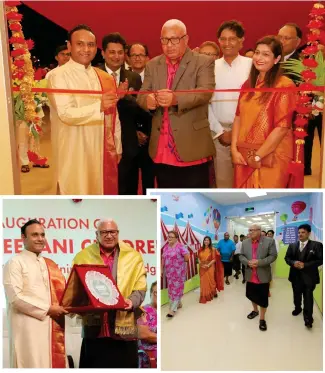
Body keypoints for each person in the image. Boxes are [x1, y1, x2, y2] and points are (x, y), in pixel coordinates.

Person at [137, 19, 215, 188]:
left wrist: (175, 99)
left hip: (192, 144)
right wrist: (148, 100)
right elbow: (142, 95)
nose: (169, 45)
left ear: (186, 39)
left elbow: (205, 92)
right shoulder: (152, 65)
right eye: (164, 40)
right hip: (162, 147)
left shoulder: (202, 61)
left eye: (174, 39)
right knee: (167, 197)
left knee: (195, 198)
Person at [48, 24, 121, 195]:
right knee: (74, 195)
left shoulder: (103, 77)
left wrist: (117, 146)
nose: (86, 49)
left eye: (91, 45)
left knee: (98, 196)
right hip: (72, 151)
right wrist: (99, 106)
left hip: (101, 150)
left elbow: (113, 116)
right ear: (69, 46)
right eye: (80, 44)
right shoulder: (57, 76)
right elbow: (65, 114)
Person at [72, 218, 147, 368]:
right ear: (97, 235)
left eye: (112, 232)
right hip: (95, 329)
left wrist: (131, 301)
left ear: (118, 233)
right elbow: (75, 289)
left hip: (124, 328)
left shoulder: (133, 257)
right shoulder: (83, 256)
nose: (109, 235)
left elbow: (140, 287)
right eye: (104, 232)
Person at [231, 35, 297, 188]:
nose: (259, 58)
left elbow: (282, 128)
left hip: (271, 157)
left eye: (266, 54)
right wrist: (234, 149)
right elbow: (238, 118)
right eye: (257, 52)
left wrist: (259, 155)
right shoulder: (248, 84)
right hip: (244, 155)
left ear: (276, 59)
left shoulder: (284, 86)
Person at [3, 219, 68, 368]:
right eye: (34, 235)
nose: (40, 239)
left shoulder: (49, 264)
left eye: (42, 234)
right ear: (23, 238)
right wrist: (48, 309)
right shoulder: (15, 262)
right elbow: (15, 297)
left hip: (51, 329)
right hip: (28, 332)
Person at [98, 32, 143, 195]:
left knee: (127, 185)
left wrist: (125, 97)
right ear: (103, 53)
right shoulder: (94, 75)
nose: (116, 56)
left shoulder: (134, 78)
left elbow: (139, 108)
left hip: (127, 140)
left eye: (120, 52)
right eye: (112, 52)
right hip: (100, 139)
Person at [209, 20, 252, 188]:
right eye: (223, 39)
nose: (227, 43)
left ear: (242, 41)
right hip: (219, 133)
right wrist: (220, 132)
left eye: (232, 39)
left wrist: (238, 130)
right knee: (223, 181)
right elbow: (205, 104)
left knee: (247, 180)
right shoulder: (209, 67)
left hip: (247, 133)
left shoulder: (252, 66)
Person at [239, 224, 277, 331]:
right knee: (251, 295)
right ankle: (255, 310)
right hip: (250, 275)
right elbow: (241, 255)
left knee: (263, 299)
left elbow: (273, 256)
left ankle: (262, 318)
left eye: (253, 230)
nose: (251, 232)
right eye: (249, 230)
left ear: (260, 231)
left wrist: (259, 262)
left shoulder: (269, 241)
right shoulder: (245, 242)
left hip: (263, 275)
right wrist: (247, 262)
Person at [128, 42, 155, 194]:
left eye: (141, 55)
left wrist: (145, 133)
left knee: (149, 181)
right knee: (129, 182)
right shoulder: (122, 79)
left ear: (147, 58)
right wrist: (134, 132)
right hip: (129, 138)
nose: (137, 58)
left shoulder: (156, 79)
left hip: (151, 138)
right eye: (134, 55)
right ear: (128, 59)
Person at [284, 224, 323, 329]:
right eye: (299, 232)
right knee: (296, 295)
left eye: (303, 232)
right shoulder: (292, 245)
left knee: (308, 298)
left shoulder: (317, 245)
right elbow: (287, 258)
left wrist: (305, 265)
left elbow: (320, 260)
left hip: (309, 277)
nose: (300, 234)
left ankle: (308, 318)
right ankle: (298, 308)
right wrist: (293, 263)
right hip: (295, 276)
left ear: (309, 233)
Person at [162, 230, 190, 317]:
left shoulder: (180, 247)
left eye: (171, 237)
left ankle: (172, 309)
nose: (169, 238)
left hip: (179, 274)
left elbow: (187, 257)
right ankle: (179, 303)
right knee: (171, 289)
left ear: (176, 238)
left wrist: (180, 264)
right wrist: (161, 270)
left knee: (177, 290)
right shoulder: (165, 247)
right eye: (168, 236)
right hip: (169, 273)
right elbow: (163, 259)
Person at [198, 236, 224, 303]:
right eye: (205, 240)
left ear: (210, 242)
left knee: (211, 281)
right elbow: (198, 258)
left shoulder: (213, 249)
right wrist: (201, 264)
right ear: (203, 241)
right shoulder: (200, 249)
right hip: (202, 267)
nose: (206, 241)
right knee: (203, 282)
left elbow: (214, 259)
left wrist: (208, 265)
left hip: (210, 267)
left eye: (208, 240)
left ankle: (213, 291)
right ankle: (204, 296)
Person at [137, 281, 157, 368]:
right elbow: (145, 335)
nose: (157, 295)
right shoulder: (144, 311)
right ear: (151, 294)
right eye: (155, 292)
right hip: (150, 352)